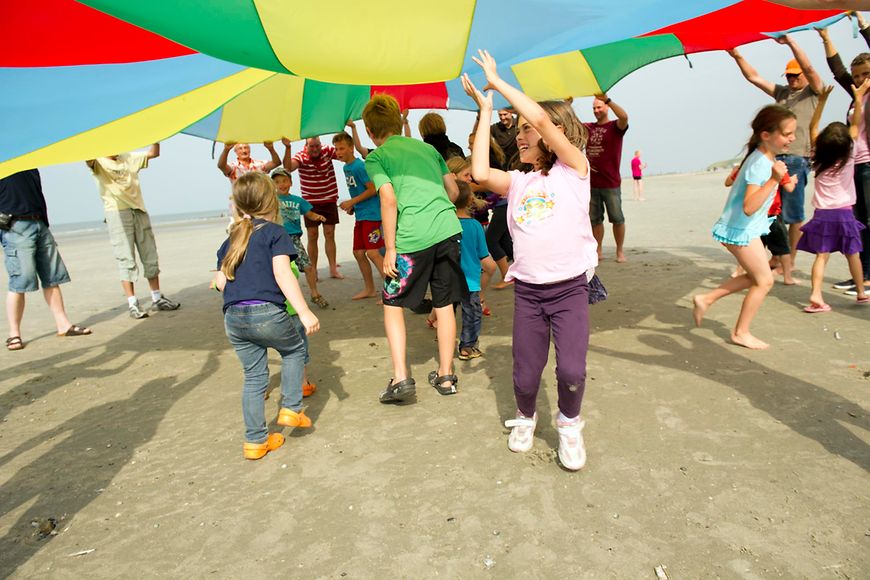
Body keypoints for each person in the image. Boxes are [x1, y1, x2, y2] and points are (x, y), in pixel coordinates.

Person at [463, 50, 597, 472]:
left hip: (570, 289)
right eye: (517, 131)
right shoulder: (518, 182)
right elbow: (481, 172)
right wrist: (485, 110)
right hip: (530, 293)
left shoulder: (575, 170)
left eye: (526, 130)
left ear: (556, 132)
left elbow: (539, 119)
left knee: (572, 370)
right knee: (525, 372)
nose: (520, 136)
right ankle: (525, 417)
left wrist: (498, 83)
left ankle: (569, 425)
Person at [361, 94, 465, 404]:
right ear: (399, 122)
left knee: (393, 304)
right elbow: (454, 190)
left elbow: (388, 199)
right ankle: (446, 376)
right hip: (447, 230)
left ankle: (401, 378)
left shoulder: (376, 157)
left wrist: (390, 248)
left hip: (410, 239)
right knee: (444, 303)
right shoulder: (428, 148)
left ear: (369, 130)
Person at [213, 172, 320, 460]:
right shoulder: (275, 233)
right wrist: (305, 311)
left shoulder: (232, 239)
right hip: (267, 312)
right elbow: (283, 274)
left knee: (253, 378)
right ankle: (291, 408)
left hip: (234, 317)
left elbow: (221, 282)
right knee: (294, 349)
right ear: (273, 201)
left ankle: (255, 441)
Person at [693, 105, 796, 350]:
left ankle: (706, 298)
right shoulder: (760, 164)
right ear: (766, 135)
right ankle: (740, 332)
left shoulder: (766, 157)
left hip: (745, 229)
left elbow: (769, 194)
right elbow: (750, 206)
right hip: (740, 230)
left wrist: (782, 179)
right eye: (787, 133)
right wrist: (773, 179)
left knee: (759, 277)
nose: (792, 138)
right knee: (764, 281)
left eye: (793, 133)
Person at [728, 36, 823, 261]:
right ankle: (775, 257)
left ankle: (787, 260)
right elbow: (755, 78)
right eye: (788, 75)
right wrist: (737, 55)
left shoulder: (813, 92)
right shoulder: (782, 93)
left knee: (793, 214)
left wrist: (791, 42)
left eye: (794, 75)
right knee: (769, 210)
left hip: (797, 159)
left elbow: (809, 68)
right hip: (772, 158)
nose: (790, 79)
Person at [798, 81, 870, 311]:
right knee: (853, 255)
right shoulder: (850, 153)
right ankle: (861, 292)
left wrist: (821, 101)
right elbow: (856, 124)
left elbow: (813, 126)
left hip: (823, 216)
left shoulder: (817, 155)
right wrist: (858, 99)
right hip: (845, 214)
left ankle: (816, 296)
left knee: (822, 256)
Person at [0, 170, 92, 350]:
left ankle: (63, 325)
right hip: (15, 226)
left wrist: (44, 221)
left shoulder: (30, 164)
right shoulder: (5, 160)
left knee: (52, 277)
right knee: (20, 280)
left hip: (39, 223)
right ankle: (14, 334)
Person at [86, 145, 181, 319]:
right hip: (117, 212)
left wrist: (157, 134)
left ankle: (157, 298)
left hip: (138, 209)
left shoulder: (128, 157)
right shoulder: (97, 160)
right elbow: (86, 156)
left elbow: (154, 153)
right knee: (125, 257)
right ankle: (132, 303)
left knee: (149, 254)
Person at [818, 20, 870, 294]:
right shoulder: (857, 95)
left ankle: (869, 275)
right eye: (857, 75)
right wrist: (825, 36)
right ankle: (862, 273)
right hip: (856, 164)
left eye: (865, 74)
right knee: (860, 221)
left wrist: (862, 24)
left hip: (869, 164)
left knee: (869, 220)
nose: (860, 80)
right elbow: (838, 71)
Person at [725, 161, 798, 284]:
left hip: (754, 215)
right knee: (783, 247)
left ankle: (739, 271)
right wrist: (793, 180)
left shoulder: (746, 167)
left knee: (752, 244)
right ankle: (787, 277)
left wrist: (734, 172)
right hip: (772, 214)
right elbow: (789, 188)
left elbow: (728, 182)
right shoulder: (777, 167)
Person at [333, 132, 385, 300]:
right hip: (361, 215)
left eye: (341, 148)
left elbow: (372, 189)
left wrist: (352, 201)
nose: (338, 152)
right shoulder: (345, 168)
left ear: (351, 147)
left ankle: (393, 291)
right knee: (358, 253)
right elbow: (360, 191)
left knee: (373, 253)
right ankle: (369, 289)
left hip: (372, 215)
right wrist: (353, 206)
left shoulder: (359, 166)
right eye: (336, 149)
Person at [282, 137, 343, 280]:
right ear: (306, 146)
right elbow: (288, 168)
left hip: (329, 199)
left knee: (329, 233)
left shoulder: (327, 151)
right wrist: (288, 148)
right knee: (312, 235)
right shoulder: (301, 156)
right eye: (312, 146)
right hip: (310, 202)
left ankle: (333, 268)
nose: (315, 149)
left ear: (321, 145)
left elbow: (343, 155)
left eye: (317, 146)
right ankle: (313, 270)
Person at [271, 168, 329, 309]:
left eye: (284, 181)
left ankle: (315, 294)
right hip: (277, 239)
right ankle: (277, 297)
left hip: (294, 239)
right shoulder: (271, 200)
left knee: (308, 267)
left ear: (290, 182)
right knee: (280, 270)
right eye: (277, 182)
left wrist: (317, 217)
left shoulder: (298, 200)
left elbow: (309, 214)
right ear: (272, 185)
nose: (281, 184)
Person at [453, 182, 496, 360]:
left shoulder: (443, 224)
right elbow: (484, 258)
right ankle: (467, 346)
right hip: (469, 281)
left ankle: (445, 342)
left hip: (447, 280)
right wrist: (491, 270)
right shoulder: (475, 226)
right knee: (472, 314)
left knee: (446, 312)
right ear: (471, 199)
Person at [585, 94, 629, 263]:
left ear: (607, 107)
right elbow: (570, 124)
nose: (596, 111)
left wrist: (607, 99)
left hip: (611, 183)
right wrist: (567, 104)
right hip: (592, 183)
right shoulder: (589, 127)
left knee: (617, 218)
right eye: (594, 108)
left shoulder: (615, 127)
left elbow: (624, 117)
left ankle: (619, 251)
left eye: (599, 107)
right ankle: (598, 250)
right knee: (595, 220)